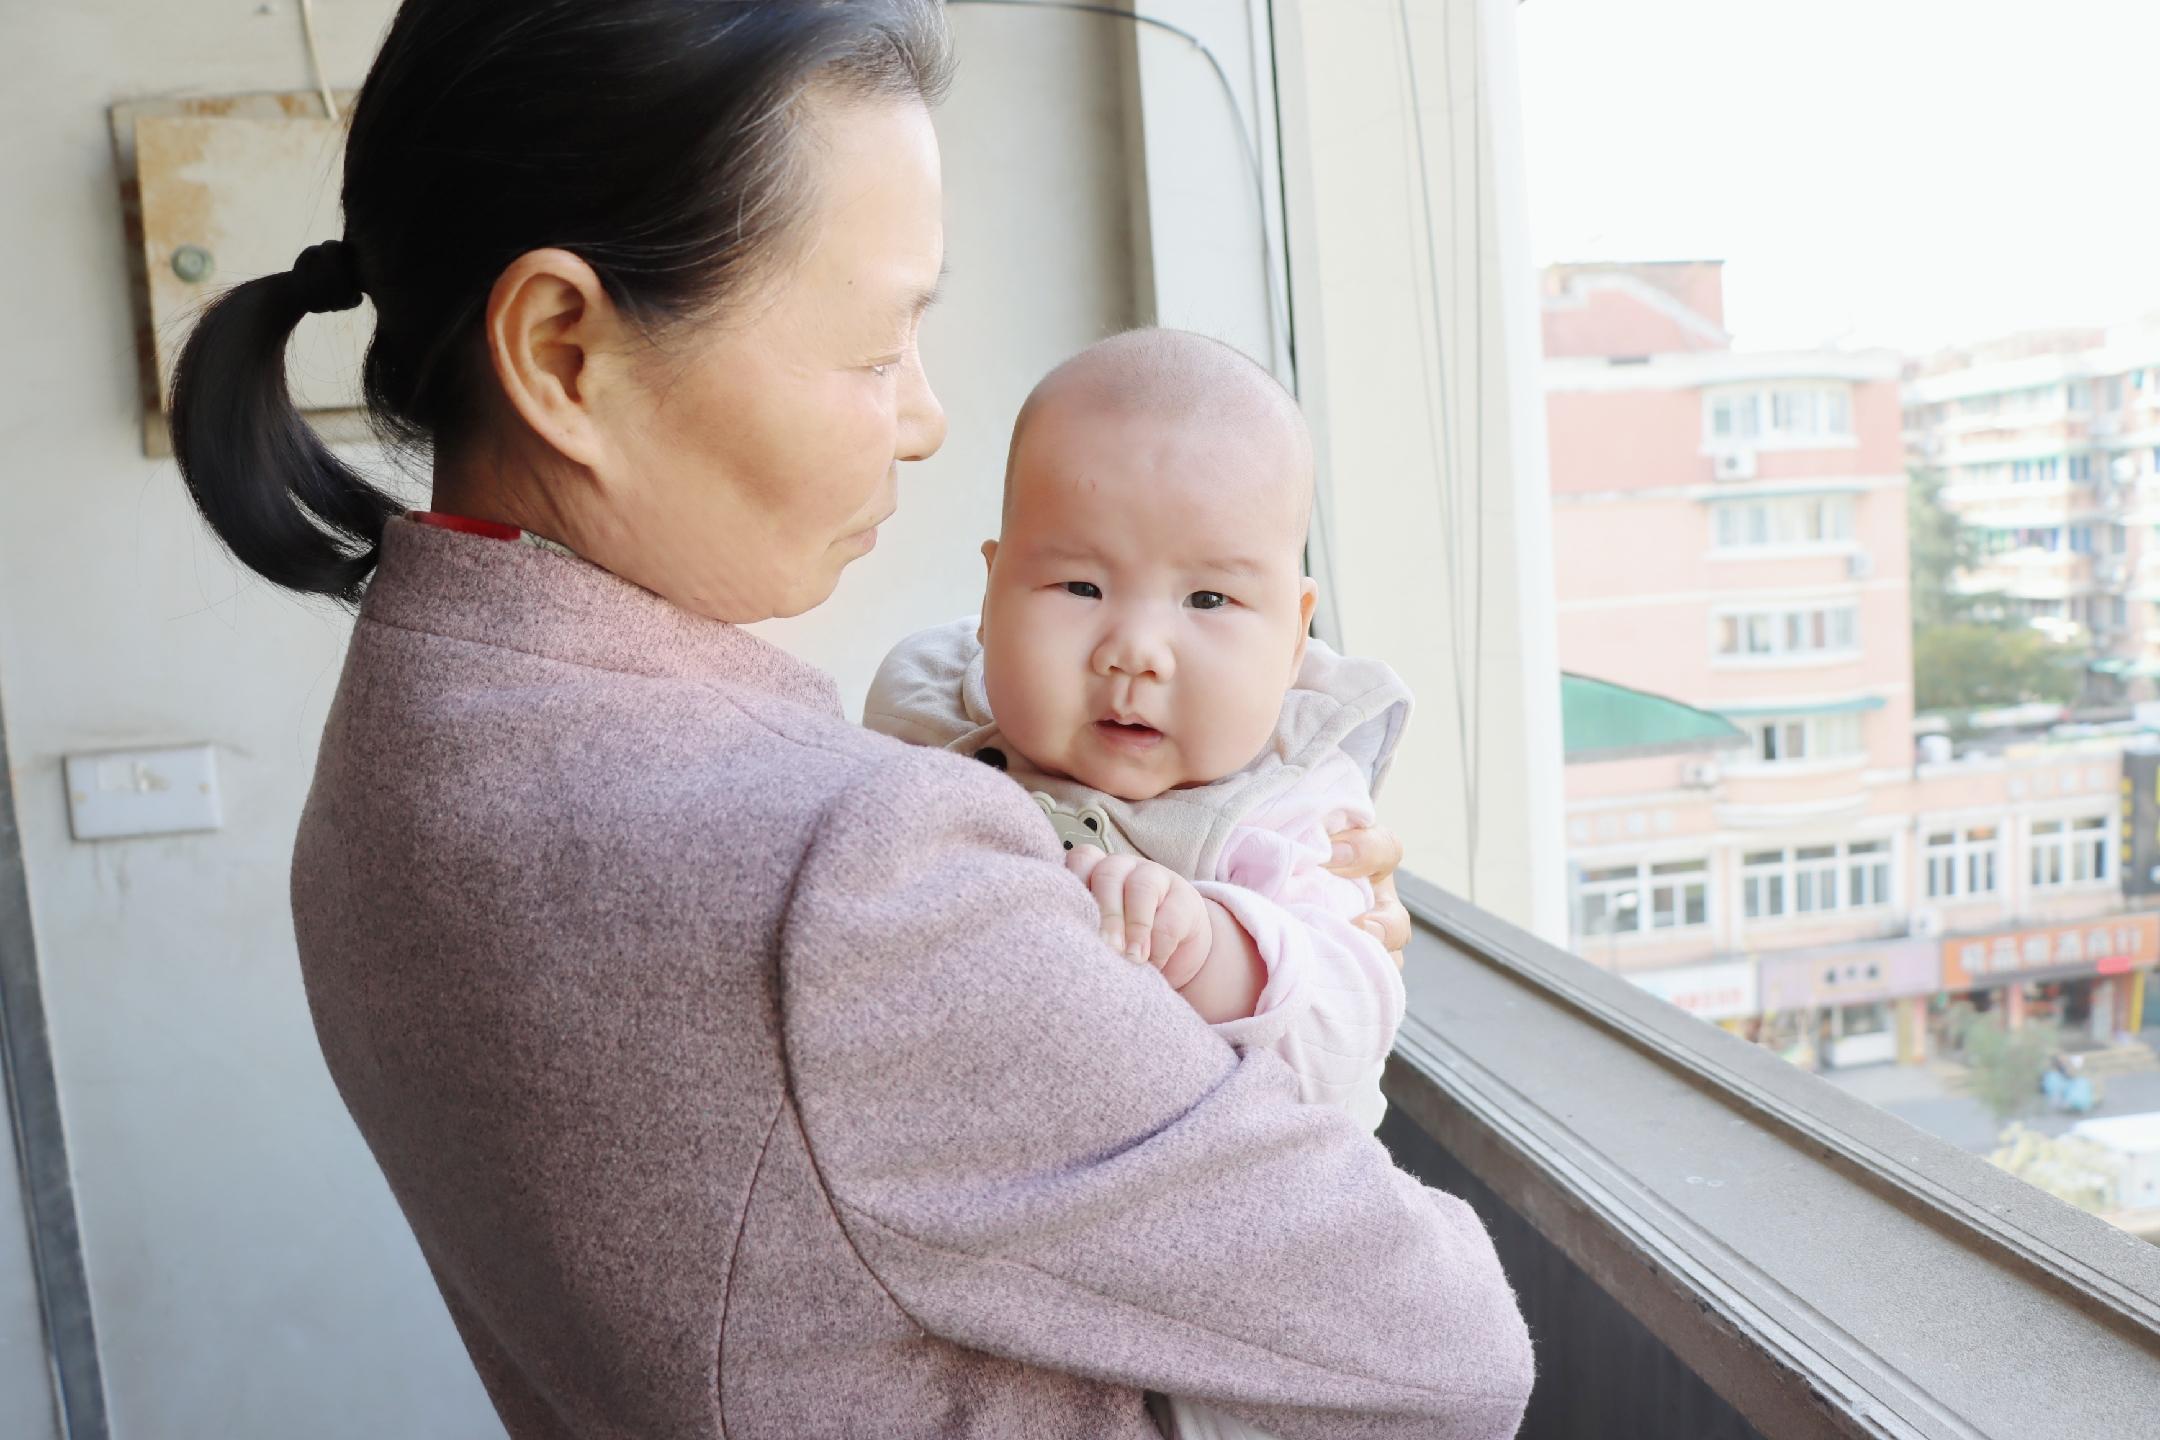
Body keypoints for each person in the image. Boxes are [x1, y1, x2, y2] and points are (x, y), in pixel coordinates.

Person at [166, 2, 1534, 1437]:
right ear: (566, 352)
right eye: (879, 349)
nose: (927, 419)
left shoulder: (391, 755)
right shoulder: (863, 874)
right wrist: (1254, 969)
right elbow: (1448, 1350)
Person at [867, 328, 1415, 1440]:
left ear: (1295, 633)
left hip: (1247, 1282)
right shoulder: (933, 735)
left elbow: (1352, 1009)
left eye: (1209, 602)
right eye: (1078, 584)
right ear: (990, 592)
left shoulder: (1287, 811)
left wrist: (1218, 945)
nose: (1136, 650)